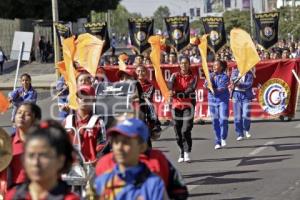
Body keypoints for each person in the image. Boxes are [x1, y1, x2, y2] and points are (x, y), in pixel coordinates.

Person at [94, 118, 168, 200]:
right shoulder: (102, 182)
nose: (119, 147)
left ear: (142, 146)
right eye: (116, 141)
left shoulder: (154, 184)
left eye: (126, 142)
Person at [5, 120, 80, 200]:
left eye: (44, 155)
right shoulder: (13, 196)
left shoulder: (69, 198)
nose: (35, 162)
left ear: (60, 160)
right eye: (31, 155)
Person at [0, 103, 41, 196]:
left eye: (27, 114)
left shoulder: (43, 144)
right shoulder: (6, 142)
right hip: (11, 193)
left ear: (36, 120)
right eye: (19, 113)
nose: (21, 116)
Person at [63, 85, 107, 162]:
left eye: (87, 96)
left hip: (90, 167)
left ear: (94, 100)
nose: (83, 99)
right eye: (81, 96)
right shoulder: (67, 121)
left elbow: (101, 148)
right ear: (77, 100)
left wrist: (97, 160)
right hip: (71, 168)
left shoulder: (98, 122)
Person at [168, 56, 197, 162]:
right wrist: (171, 89)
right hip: (176, 106)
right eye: (182, 63)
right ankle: (181, 151)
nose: (183, 65)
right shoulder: (174, 75)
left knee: (185, 130)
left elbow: (190, 89)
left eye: (186, 63)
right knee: (177, 131)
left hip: (188, 106)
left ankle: (187, 151)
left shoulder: (193, 76)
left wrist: (176, 93)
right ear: (179, 65)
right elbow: (170, 83)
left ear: (189, 64)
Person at [205, 60, 229, 150]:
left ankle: (223, 137)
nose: (214, 67)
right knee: (215, 121)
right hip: (212, 100)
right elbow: (206, 85)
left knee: (223, 120)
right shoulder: (210, 75)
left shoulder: (225, 77)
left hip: (222, 100)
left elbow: (220, 89)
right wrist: (209, 84)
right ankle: (218, 141)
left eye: (216, 65)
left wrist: (211, 88)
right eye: (213, 65)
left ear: (221, 67)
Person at [135, 64, 162, 139]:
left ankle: (155, 126)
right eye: (138, 71)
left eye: (143, 71)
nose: (140, 73)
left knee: (150, 107)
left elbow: (147, 96)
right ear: (135, 72)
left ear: (146, 73)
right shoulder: (132, 84)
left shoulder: (150, 85)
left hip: (145, 105)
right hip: (134, 106)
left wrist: (139, 97)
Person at [230, 67, 254, 141]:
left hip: (245, 95)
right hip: (236, 95)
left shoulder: (249, 74)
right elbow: (232, 80)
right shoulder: (235, 71)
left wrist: (239, 84)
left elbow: (248, 84)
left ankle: (246, 129)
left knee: (246, 113)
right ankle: (240, 133)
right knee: (237, 116)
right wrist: (235, 82)